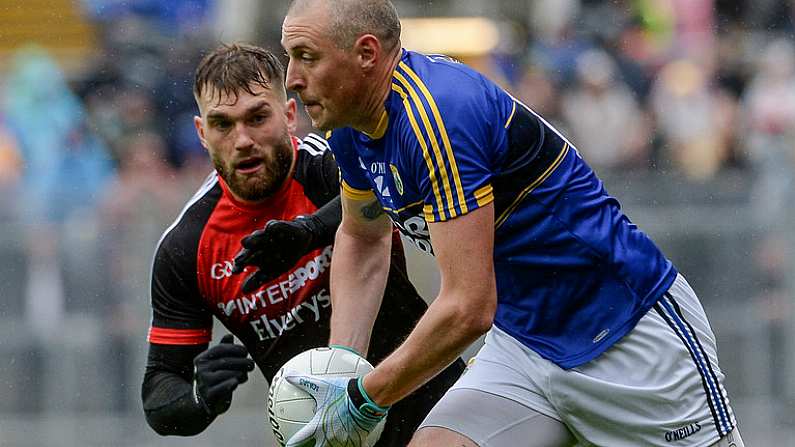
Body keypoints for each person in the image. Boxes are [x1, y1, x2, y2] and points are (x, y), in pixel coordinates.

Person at [279, 1, 744, 446]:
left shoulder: (438, 114)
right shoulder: (350, 125)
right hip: (523, 341)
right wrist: (337, 373)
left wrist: (365, 397)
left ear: (366, 54)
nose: (292, 80)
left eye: (307, 57)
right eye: (289, 58)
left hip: (625, 335)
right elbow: (363, 237)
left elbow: (469, 306)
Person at [141, 43, 465, 447]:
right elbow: (158, 394)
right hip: (325, 437)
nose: (242, 140)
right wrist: (197, 397)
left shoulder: (333, 166)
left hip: (433, 404)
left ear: (290, 116)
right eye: (223, 124)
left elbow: (389, 181)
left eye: (257, 118)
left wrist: (309, 230)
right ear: (201, 134)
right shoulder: (186, 248)